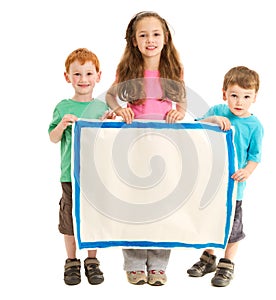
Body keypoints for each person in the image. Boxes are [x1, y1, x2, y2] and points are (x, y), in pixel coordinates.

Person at [105, 11, 186, 286]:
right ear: (134, 41)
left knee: (163, 203)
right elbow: (109, 95)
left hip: (165, 144)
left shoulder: (173, 69)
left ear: (165, 39)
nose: (149, 39)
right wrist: (118, 110)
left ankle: (159, 264)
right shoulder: (128, 69)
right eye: (143, 35)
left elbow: (182, 101)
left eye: (155, 34)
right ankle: (135, 262)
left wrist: (179, 113)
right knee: (135, 203)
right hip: (134, 143)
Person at [187, 66, 264, 287]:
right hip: (212, 183)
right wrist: (212, 119)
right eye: (234, 96)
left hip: (234, 187)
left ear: (254, 98)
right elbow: (195, 128)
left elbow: (255, 156)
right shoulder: (218, 110)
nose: (239, 102)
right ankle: (208, 257)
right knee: (211, 222)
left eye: (246, 97)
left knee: (233, 227)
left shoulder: (254, 125)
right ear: (224, 94)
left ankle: (227, 262)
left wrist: (247, 171)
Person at [48, 48, 111, 285]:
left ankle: (92, 260)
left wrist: (107, 123)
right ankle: (72, 260)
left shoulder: (101, 108)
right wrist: (63, 124)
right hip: (69, 175)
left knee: (92, 216)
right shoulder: (63, 107)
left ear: (98, 76)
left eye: (88, 73)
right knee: (69, 218)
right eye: (77, 74)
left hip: (94, 175)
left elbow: (106, 141)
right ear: (68, 77)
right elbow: (53, 138)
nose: (83, 79)